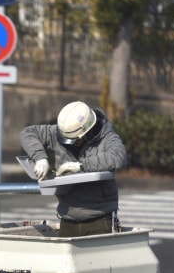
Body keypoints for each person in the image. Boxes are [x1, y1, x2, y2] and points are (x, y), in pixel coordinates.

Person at [19, 101, 127, 237]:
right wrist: (40, 158)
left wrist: (81, 166)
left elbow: (118, 156)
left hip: (99, 220)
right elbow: (27, 133)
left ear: (87, 132)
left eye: (74, 139)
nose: (70, 143)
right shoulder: (60, 132)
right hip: (68, 218)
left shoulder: (107, 139)